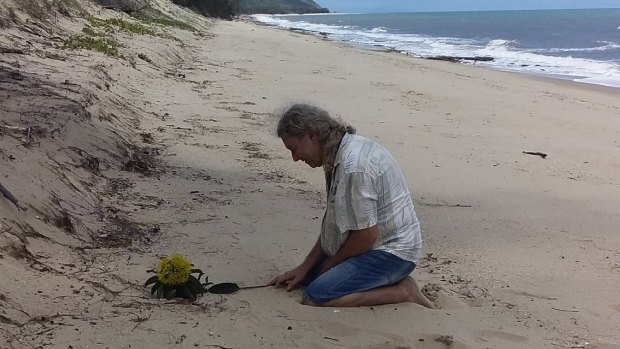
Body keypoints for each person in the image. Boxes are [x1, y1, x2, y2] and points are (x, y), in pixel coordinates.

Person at [269, 103, 434, 308]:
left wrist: (329, 266)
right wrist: (305, 267)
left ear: (311, 135)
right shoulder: (336, 153)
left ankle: (403, 291)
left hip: (392, 253)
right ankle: (383, 282)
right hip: (375, 247)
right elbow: (334, 225)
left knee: (316, 294)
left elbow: (366, 236)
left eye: (294, 149)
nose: (295, 158)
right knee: (309, 278)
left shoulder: (353, 167)